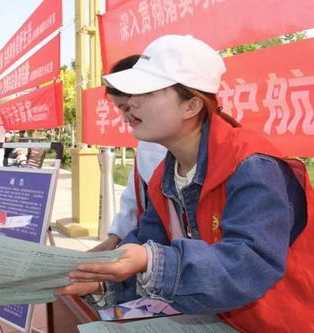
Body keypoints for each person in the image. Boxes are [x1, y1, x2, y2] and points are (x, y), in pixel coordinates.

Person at [56, 34, 314, 332]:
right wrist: (99, 281)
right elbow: (144, 245)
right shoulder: (163, 177)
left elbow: (248, 265)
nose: (128, 105)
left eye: (146, 91)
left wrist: (151, 260)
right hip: (219, 314)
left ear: (191, 106)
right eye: (127, 96)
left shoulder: (253, 166)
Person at [90, 55, 166, 252]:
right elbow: (137, 198)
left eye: (128, 108)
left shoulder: (244, 161)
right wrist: (115, 240)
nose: (126, 119)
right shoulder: (149, 143)